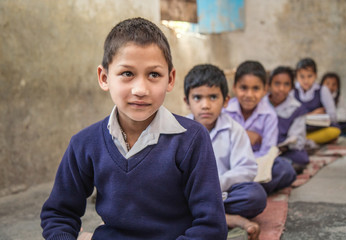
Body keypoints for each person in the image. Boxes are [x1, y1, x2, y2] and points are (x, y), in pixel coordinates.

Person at [40, 18, 228, 240]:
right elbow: (59, 214)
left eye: (154, 75)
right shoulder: (84, 143)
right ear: (104, 77)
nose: (140, 89)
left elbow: (211, 226)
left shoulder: (192, 139)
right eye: (127, 73)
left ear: (170, 79)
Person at [184, 64, 267, 240]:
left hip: (221, 193)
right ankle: (228, 219)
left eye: (213, 97)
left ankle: (198, 215)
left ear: (226, 100)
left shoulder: (234, 130)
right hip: (188, 196)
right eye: (197, 98)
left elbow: (247, 169)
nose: (205, 105)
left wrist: (214, 185)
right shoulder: (180, 131)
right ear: (187, 101)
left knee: (255, 195)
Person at [224, 60, 296, 195]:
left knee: (285, 169)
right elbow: (220, 145)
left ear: (264, 90)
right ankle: (246, 190)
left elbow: (267, 152)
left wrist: (247, 163)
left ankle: (240, 190)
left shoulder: (269, 114)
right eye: (243, 88)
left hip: (256, 165)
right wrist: (244, 136)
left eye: (256, 89)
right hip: (228, 163)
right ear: (234, 88)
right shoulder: (226, 111)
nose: (249, 95)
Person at [266, 66, 309, 174]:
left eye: (286, 84)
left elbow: (296, 138)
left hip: (283, 150)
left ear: (292, 87)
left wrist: (283, 146)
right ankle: (282, 166)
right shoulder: (261, 103)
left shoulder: (296, 108)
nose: (281, 88)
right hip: (262, 146)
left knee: (301, 158)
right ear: (269, 85)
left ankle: (279, 164)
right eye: (277, 83)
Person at [292, 58, 340, 144]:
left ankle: (302, 141)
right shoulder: (292, 91)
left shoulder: (322, 90)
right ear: (296, 76)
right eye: (302, 76)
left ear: (315, 75)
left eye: (309, 76)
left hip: (318, 129)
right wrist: (312, 114)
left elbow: (333, 117)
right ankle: (305, 140)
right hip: (298, 129)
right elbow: (289, 117)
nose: (306, 80)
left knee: (334, 131)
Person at [320, 72, 346, 137]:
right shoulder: (318, 96)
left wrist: (330, 117)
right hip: (321, 122)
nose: (330, 87)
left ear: (338, 86)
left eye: (334, 84)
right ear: (322, 84)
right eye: (327, 84)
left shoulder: (338, 97)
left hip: (335, 121)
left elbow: (344, 113)